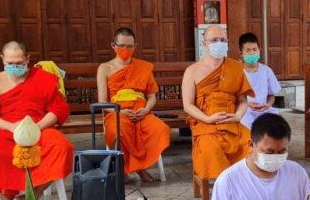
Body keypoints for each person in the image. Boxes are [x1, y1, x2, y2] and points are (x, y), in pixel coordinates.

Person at [0, 41, 74, 200]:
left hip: (39, 127)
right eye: (10, 63)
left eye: (19, 63)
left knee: (62, 147)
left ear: (27, 58)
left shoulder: (43, 78)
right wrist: (11, 127)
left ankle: (33, 196)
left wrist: (36, 127)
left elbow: (58, 109)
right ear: (2, 59)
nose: (14, 66)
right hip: (6, 129)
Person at [96, 27, 171, 182]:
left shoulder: (144, 67)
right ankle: (138, 169)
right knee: (120, 131)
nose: (126, 49)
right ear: (113, 46)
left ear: (135, 46)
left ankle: (134, 167)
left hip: (141, 110)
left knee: (161, 129)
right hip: (117, 111)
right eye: (122, 46)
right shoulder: (104, 68)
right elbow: (102, 102)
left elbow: (152, 96)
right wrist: (118, 111)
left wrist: (146, 109)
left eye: (130, 46)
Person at [182, 24, 254, 182]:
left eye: (222, 40)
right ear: (205, 43)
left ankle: (242, 186)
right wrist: (207, 119)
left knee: (251, 145)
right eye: (214, 40)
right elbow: (187, 105)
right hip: (205, 124)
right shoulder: (192, 71)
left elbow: (243, 101)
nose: (219, 43)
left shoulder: (236, 68)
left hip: (232, 123)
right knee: (210, 149)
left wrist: (238, 115)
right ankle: (223, 187)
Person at [239, 32, 281, 129]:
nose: (252, 53)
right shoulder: (238, 71)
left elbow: (271, 95)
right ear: (241, 53)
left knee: (275, 126)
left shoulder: (266, 70)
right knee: (246, 126)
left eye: (254, 49)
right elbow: (233, 97)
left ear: (259, 50)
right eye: (248, 50)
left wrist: (268, 105)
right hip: (245, 110)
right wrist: (248, 104)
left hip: (264, 110)